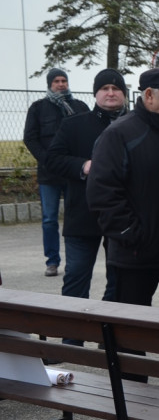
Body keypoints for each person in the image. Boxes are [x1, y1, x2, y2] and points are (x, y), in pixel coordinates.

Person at [87, 67, 159, 314]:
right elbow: (101, 193)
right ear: (149, 95)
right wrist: (132, 235)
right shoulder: (119, 134)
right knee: (129, 336)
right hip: (133, 257)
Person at [45, 69, 125, 311]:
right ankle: (71, 344)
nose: (110, 93)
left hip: (123, 219)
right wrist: (83, 165)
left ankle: (109, 338)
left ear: (124, 93)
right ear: (95, 94)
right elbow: (53, 159)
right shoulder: (74, 125)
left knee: (120, 284)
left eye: (116, 88)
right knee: (76, 281)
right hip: (82, 216)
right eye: (104, 89)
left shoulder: (136, 124)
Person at [23, 67, 89, 276]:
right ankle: (52, 261)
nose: (61, 84)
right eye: (56, 81)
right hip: (49, 175)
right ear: (50, 84)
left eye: (64, 80)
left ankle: (75, 260)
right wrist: (47, 160)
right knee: (50, 219)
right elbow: (30, 138)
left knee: (75, 218)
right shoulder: (38, 108)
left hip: (73, 174)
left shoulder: (79, 107)